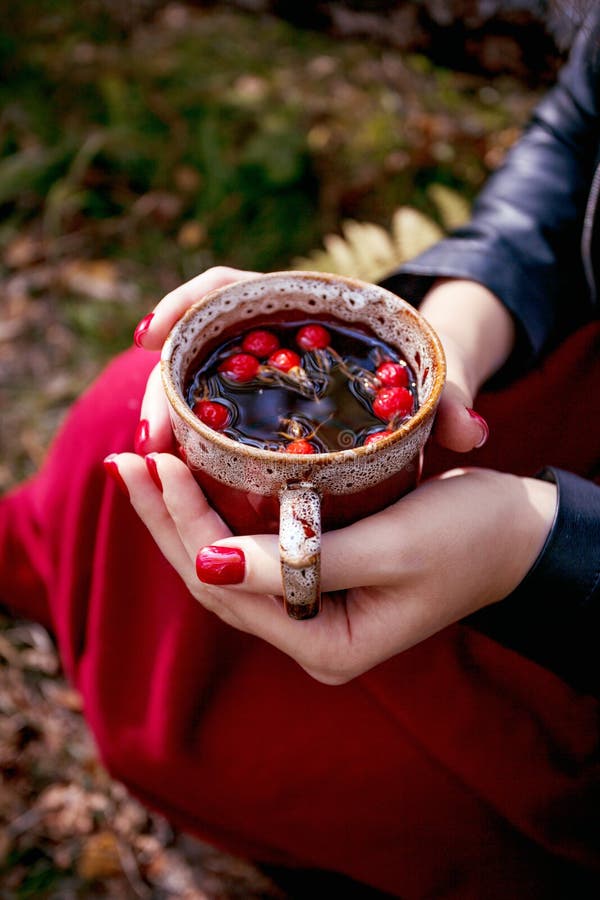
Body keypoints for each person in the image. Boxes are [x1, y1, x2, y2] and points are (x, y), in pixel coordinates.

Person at [2, 2, 599, 897]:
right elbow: (572, 149)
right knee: (128, 410)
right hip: (554, 352)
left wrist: (540, 547)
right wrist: (449, 346)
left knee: (375, 756)